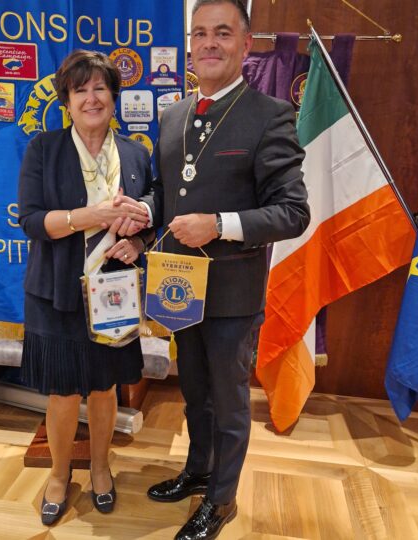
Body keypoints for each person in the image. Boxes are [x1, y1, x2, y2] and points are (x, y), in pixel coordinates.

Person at [140, 1, 310, 538]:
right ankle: (199, 470)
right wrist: (141, 211)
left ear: (246, 43)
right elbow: (165, 192)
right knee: (194, 391)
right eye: (200, 34)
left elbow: (293, 212)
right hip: (179, 287)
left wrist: (218, 224)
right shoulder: (172, 116)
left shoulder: (270, 115)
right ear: (190, 46)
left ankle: (222, 500)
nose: (209, 43)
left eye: (222, 33)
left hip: (233, 293)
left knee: (230, 402)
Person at [18, 49, 154, 526]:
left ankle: (99, 468)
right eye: (80, 90)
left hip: (113, 295)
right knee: (61, 392)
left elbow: (151, 212)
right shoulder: (44, 149)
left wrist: (138, 242)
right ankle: (59, 476)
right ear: (67, 101)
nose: (91, 98)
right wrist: (91, 216)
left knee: (103, 388)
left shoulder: (136, 154)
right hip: (56, 293)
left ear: (114, 97)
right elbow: (32, 221)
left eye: (100, 88)